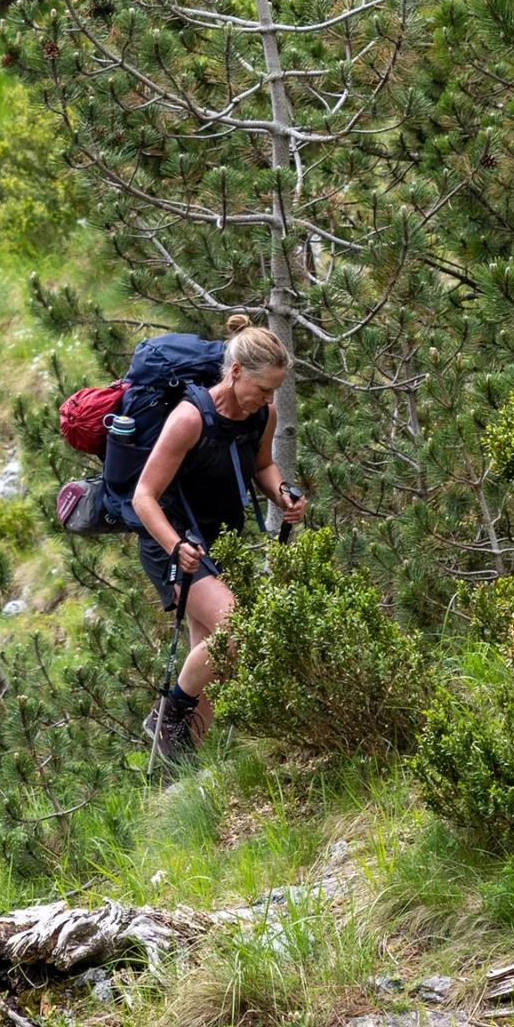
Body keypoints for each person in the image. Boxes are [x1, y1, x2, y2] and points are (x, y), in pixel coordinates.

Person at [130, 320, 306, 763]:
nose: (267, 401)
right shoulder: (189, 418)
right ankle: (167, 715)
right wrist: (175, 546)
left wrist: (282, 493)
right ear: (235, 373)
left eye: (273, 393)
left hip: (216, 544)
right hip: (173, 546)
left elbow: (263, 466)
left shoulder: (262, 414)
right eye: (262, 389)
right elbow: (143, 497)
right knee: (237, 632)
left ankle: (180, 766)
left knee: (212, 660)